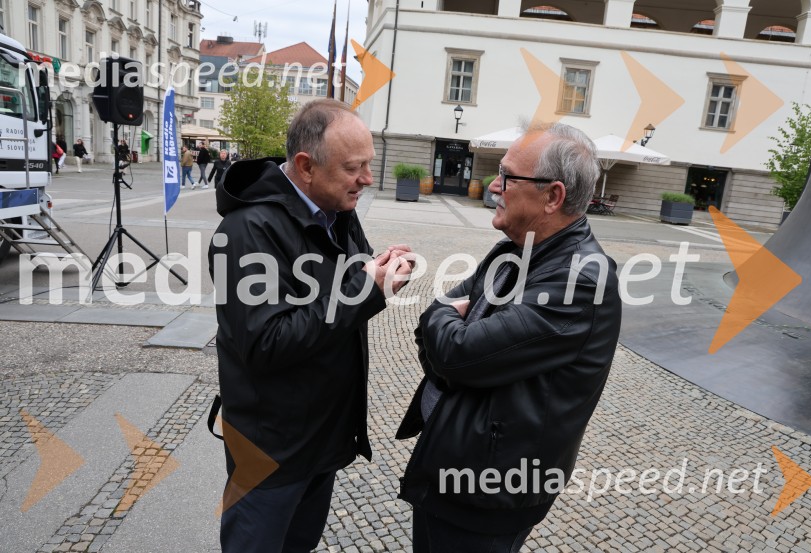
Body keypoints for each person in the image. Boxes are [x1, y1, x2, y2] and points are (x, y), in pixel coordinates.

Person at [396, 123, 623, 552]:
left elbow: (454, 352)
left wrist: (447, 322)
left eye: (507, 177)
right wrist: (447, 321)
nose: (494, 186)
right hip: (456, 466)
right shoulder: (513, 250)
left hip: (488, 493)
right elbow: (440, 325)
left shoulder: (582, 280)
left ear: (553, 196)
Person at [208, 98, 415, 553]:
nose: (366, 179)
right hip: (269, 450)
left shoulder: (338, 210)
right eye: (353, 168)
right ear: (305, 166)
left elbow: (344, 292)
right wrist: (368, 290)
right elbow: (267, 342)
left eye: (369, 165)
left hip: (322, 437)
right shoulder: (246, 233)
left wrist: (380, 272)